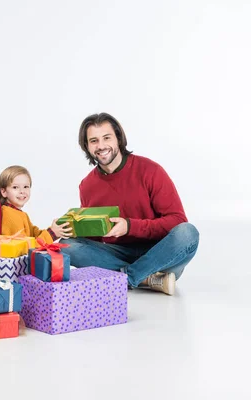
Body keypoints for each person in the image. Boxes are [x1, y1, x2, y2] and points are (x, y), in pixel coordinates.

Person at [60, 112, 199, 295]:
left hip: (159, 253)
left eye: (106, 138)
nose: (101, 146)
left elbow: (177, 220)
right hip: (117, 252)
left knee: (187, 232)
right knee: (66, 245)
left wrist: (129, 226)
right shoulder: (87, 185)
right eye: (93, 141)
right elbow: (93, 237)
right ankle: (148, 279)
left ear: (118, 138)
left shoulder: (150, 170)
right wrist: (68, 226)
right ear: (87, 146)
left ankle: (126, 277)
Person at [0, 165, 70, 242]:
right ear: (4, 192)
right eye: (15, 187)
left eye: (26, 187)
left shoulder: (19, 214)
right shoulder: (10, 215)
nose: (22, 191)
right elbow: (24, 248)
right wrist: (52, 233)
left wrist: (54, 231)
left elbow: (34, 235)